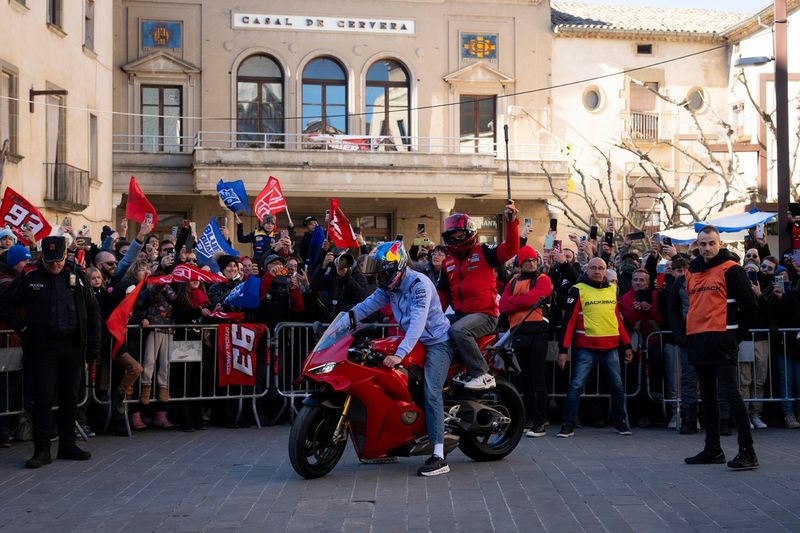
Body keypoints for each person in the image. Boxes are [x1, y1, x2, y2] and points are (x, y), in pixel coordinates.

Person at [351, 241, 454, 476]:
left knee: (430, 390)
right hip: (415, 341)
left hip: (438, 342)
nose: (379, 277)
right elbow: (367, 306)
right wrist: (345, 320)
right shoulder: (390, 286)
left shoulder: (419, 284)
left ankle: (439, 455)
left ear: (397, 266)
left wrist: (399, 353)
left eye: (383, 271)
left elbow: (418, 322)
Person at [0, 236, 101, 468]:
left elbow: (93, 313)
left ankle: (67, 445)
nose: (54, 266)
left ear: (66, 256)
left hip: (73, 346)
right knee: (43, 399)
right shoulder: (30, 277)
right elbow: (4, 305)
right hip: (43, 348)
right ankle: (42, 449)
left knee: (70, 397)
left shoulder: (77, 277)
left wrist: (92, 349)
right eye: (49, 261)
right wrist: (23, 328)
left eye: (58, 261)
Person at [683, 225, 759, 470]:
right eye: (702, 244)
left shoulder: (732, 269)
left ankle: (748, 451)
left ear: (720, 244)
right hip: (698, 339)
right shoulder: (691, 272)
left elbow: (751, 307)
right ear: (697, 246)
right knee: (706, 396)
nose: (707, 248)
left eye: (711, 243)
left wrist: (734, 337)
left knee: (730, 394)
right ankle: (712, 449)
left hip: (722, 339)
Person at [438, 202, 519, 390]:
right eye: (453, 236)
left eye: (460, 235)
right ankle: (448, 372)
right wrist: (427, 319)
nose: (456, 239)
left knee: (459, 330)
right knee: (433, 329)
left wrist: (511, 222)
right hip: (461, 314)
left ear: (469, 233)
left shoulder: (484, 252)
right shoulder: (447, 262)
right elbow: (441, 295)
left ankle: (481, 373)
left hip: (485, 314)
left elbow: (510, 249)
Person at [557, 257, 633, 438]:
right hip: (586, 347)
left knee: (617, 386)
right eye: (593, 268)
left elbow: (617, 320)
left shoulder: (612, 290)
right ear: (586, 270)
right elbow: (569, 322)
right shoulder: (577, 290)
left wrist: (627, 344)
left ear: (606, 270)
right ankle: (567, 425)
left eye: (601, 268)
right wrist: (563, 350)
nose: (597, 271)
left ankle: (620, 423)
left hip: (612, 347)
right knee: (575, 386)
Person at [499, 246, 553, 437]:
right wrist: (523, 301)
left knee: (538, 378)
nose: (531, 263)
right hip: (519, 331)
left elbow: (536, 298)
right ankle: (530, 419)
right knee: (526, 379)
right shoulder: (513, 281)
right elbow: (502, 305)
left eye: (533, 260)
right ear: (520, 263)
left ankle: (540, 421)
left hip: (538, 331)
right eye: (527, 261)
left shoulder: (543, 279)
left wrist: (516, 301)